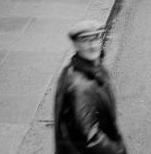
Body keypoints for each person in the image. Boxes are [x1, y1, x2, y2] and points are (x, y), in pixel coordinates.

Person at [54, 19, 127, 154]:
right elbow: (91, 138)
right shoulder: (81, 86)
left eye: (96, 39)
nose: (93, 46)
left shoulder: (92, 67)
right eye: (86, 41)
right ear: (76, 45)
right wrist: (118, 151)